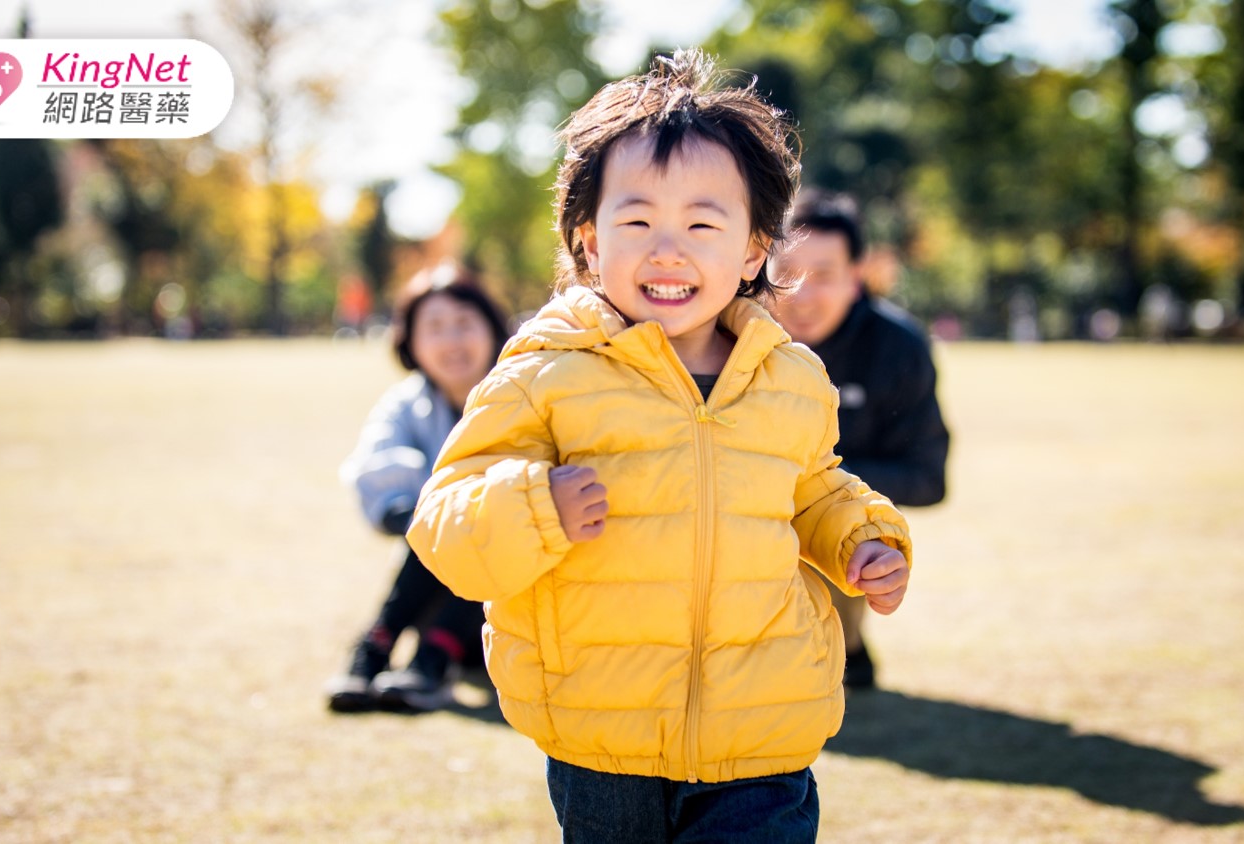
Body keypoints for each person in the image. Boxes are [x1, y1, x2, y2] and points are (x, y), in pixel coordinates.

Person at [406, 49, 913, 841]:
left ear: (753, 251)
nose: (667, 249)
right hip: (604, 737)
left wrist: (862, 536)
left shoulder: (789, 378)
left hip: (762, 732)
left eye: (703, 225)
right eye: (637, 220)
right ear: (589, 242)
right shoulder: (548, 372)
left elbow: (813, 488)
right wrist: (536, 506)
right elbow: (445, 523)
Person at [769, 189, 950, 690]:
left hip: (835, 521)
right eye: (786, 273)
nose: (801, 293)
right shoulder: (729, 335)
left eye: (823, 274)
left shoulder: (898, 348)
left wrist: (821, 485)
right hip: (738, 514)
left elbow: (928, 478)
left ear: (857, 277)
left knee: (843, 522)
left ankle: (841, 645)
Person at [327, 264, 509, 713]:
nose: (452, 340)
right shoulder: (407, 403)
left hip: (514, 599)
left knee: (494, 523)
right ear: (411, 342)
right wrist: (430, 513)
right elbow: (377, 474)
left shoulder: (526, 393)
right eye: (434, 328)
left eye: (464, 323)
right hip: (433, 582)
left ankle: (424, 659)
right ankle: (385, 648)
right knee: (442, 519)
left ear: (492, 327)